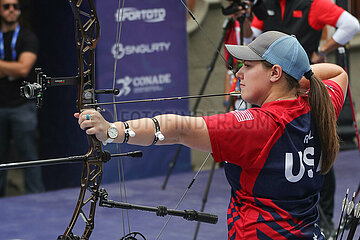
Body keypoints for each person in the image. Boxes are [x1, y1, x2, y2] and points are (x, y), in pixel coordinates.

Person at [76, 31, 348, 239]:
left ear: (275, 73)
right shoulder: (318, 106)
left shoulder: (255, 125)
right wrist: (300, 79)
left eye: (249, 66)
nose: (239, 73)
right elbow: (339, 73)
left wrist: (113, 130)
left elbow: (177, 128)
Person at [247, 0, 359, 234]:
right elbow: (252, 39)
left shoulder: (314, 4)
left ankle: (324, 221)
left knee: (315, 150)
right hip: (271, 93)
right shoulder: (264, 4)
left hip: (306, 91)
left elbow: (351, 25)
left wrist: (321, 52)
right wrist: (246, 15)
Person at [0, 0, 44, 197]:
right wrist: (12, 67)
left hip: (22, 106)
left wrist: (8, 68)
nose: (11, 10)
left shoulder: (27, 37)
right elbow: (16, 68)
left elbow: (23, 68)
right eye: (6, 6)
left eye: (15, 6)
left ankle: (37, 199)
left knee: (29, 156)